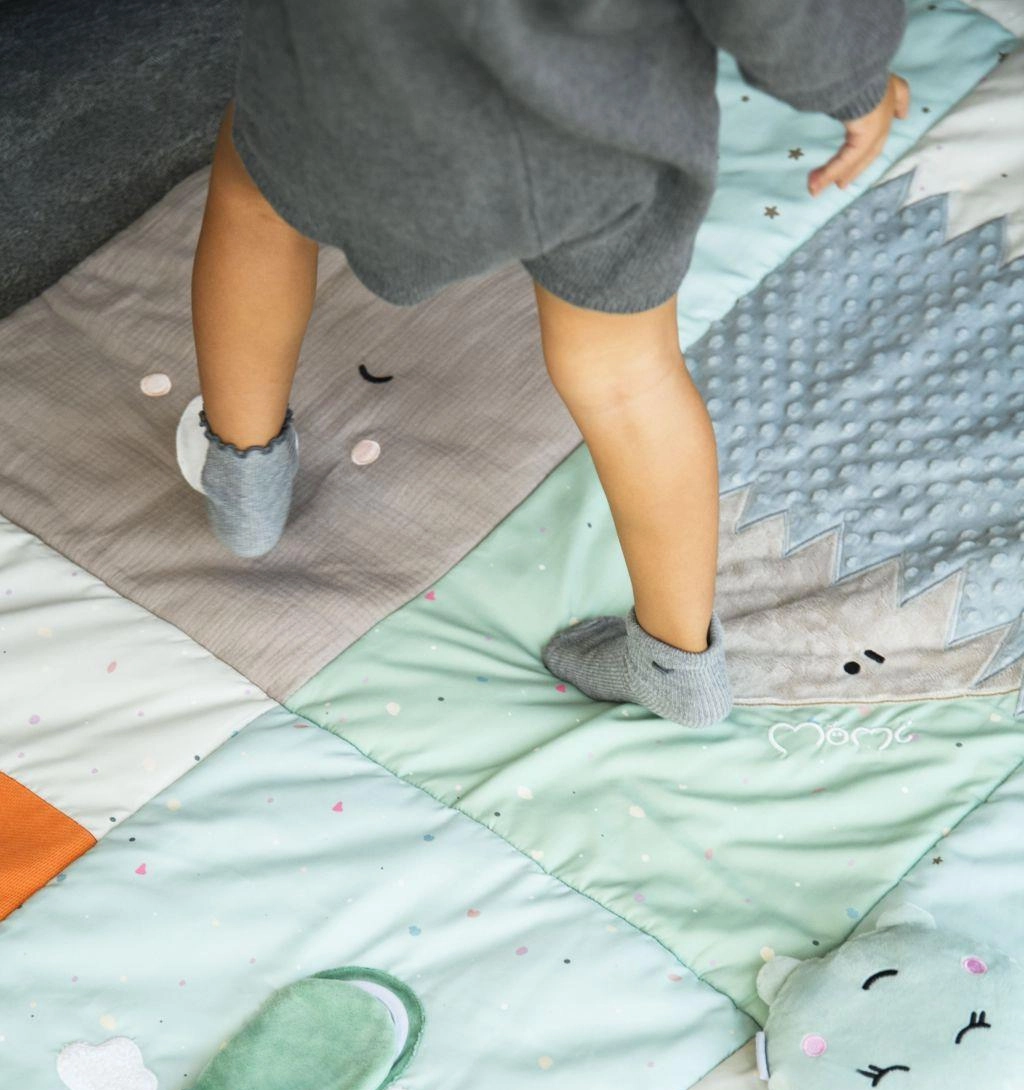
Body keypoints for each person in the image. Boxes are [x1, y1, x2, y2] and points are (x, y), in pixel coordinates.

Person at [178, 0, 910, 728]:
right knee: (629, 377)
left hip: (359, 96)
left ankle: (245, 484)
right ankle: (676, 667)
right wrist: (849, 80)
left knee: (257, 205)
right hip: (600, 134)